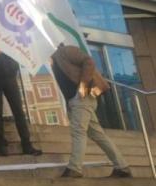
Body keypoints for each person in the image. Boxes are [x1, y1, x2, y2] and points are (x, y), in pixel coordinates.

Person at [52, 44, 132, 178]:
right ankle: (122, 166)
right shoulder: (55, 61)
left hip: (82, 98)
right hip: (76, 100)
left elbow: (89, 61)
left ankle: (74, 168)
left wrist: (83, 87)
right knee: (98, 134)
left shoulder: (66, 50)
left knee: (78, 131)